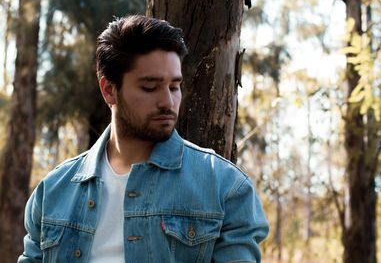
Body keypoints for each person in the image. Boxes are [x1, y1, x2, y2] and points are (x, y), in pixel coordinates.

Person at [18, 15, 269, 263]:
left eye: (174, 87)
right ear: (109, 90)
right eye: (149, 87)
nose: (168, 102)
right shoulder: (52, 191)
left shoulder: (225, 187)